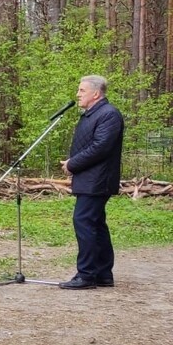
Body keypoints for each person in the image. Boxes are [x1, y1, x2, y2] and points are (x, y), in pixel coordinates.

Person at [59, 75, 124, 290]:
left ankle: (86, 274)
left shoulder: (109, 115)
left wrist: (72, 164)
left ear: (96, 93)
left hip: (98, 180)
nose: (77, 94)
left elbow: (100, 147)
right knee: (95, 224)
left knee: (84, 222)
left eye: (81, 90)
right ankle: (103, 274)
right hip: (89, 178)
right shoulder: (91, 115)